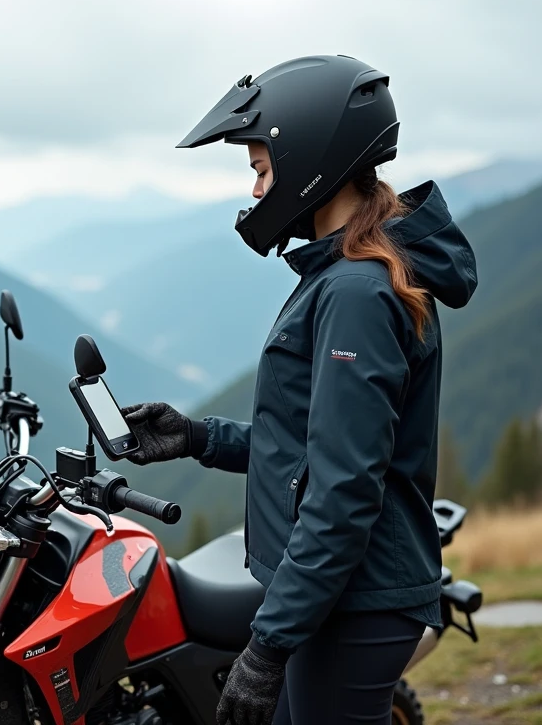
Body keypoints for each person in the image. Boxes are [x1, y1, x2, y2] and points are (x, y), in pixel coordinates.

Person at [118, 55, 478, 725]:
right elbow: (311, 448)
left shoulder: (356, 294)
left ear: (311, 154)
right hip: (335, 597)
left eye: (260, 169)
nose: (255, 193)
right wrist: (197, 438)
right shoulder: (342, 277)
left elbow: (343, 491)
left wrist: (269, 644)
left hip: (357, 604)